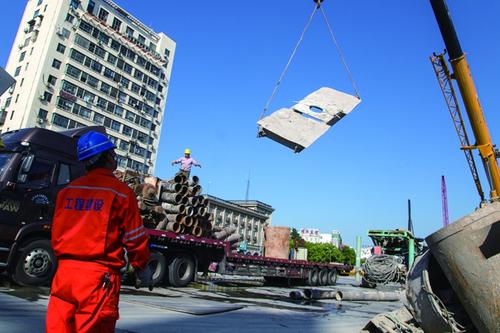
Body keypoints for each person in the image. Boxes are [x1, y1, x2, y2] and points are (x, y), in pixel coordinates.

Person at [46, 131, 151, 333]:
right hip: (98, 279)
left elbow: (57, 231)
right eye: (112, 153)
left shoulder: (67, 191)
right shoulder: (121, 192)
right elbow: (135, 238)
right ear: (108, 157)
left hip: (64, 275)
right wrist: (140, 266)